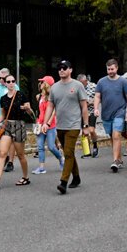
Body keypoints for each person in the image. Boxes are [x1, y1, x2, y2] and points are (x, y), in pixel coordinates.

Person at [42, 60, 89, 194]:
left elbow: (84, 106)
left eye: (64, 68)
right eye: (59, 68)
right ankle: (77, 177)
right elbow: (50, 106)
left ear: (70, 70)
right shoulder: (55, 87)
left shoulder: (78, 85)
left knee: (68, 153)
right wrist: (46, 123)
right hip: (60, 126)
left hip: (73, 125)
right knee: (69, 153)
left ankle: (63, 182)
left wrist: (85, 125)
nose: (61, 70)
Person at [0, 74, 32, 188]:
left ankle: (25, 177)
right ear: (5, 83)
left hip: (19, 125)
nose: (11, 83)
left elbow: (30, 112)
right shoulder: (3, 99)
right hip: (7, 126)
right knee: (2, 153)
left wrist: (27, 108)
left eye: (13, 81)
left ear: (15, 82)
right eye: (8, 81)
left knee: (21, 155)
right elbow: (2, 115)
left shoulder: (21, 95)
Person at [93, 59, 127, 172]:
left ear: (117, 68)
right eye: (108, 69)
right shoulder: (101, 82)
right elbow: (97, 96)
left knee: (116, 135)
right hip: (106, 113)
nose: (110, 71)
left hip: (119, 112)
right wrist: (96, 108)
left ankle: (115, 160)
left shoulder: (123, 82)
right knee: (112, 137)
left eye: (112, 69)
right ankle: (119, 158)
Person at [33, 75, 63, 174]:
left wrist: (48, 123)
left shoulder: (52, 96)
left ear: (47, 85)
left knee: (51, 146)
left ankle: (61, 159)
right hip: (40, 124)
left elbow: (54, 111)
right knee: (40, 146)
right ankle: (41, 167)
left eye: (42, 82)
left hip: (50, 125)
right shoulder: (40, 96)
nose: (40, 84)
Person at [78, 74, 99, 157]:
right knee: (84, 132)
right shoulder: (77, 87)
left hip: (92, 111)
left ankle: (95, 146)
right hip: (83, 112)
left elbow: (99, 97)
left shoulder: (94, 86)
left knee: (91, 130)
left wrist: (91, 102)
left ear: (86, 81)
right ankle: (87, 152)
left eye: (82, 83)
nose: (81, 85)